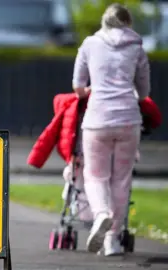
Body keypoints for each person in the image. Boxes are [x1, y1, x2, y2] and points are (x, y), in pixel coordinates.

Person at [72, 3, 150, 256]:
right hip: (128, 120)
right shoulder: (137, 47)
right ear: (128, 23)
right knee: (121, 179)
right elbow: (144, 91)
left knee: (96, 176)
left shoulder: (89, 44)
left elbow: (78, 86)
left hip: (97, 120)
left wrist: (91, 90)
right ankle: (113, 240)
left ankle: (101, 213)